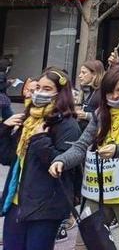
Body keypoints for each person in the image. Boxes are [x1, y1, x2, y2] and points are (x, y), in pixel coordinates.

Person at [51, 65, 119, 250]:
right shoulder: (101, 113)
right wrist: (61, 160)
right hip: (97, 193)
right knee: (84, 245)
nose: (115, 96)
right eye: (110, 92)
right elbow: (81, 145)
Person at [0, 68, 80, 249]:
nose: (39, 93)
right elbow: (8, 159)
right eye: (38, 88)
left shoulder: (68, 124)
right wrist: (4, 130)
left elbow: (63, 164)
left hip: (45, 208)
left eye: (47, 89)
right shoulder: (29, 120)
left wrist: (40, 140)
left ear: (60, 94)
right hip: (17, 202)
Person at [76, 59, 105, 127]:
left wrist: (86, 116)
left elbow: (105, 117)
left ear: (94, 74)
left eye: (84, 73)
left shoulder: (101, 93)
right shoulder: (83, 91)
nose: (80, 76)